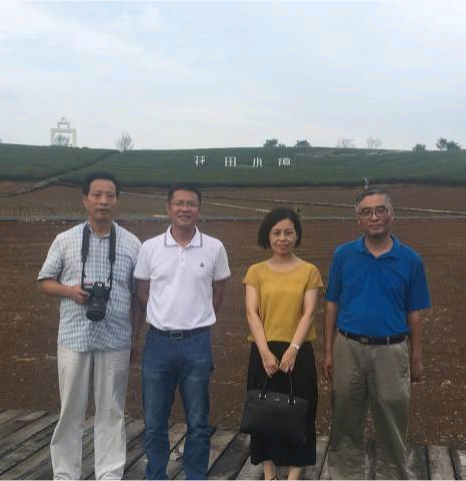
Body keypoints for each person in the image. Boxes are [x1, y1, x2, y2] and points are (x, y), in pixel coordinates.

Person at [38, 171, 142, 481]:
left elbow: (139, 296)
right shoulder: (65, 240)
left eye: (110, 195)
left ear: (117, 201)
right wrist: (70, 291)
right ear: (85, 200)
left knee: (112, 410)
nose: (103, 201)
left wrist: (136, 338)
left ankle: (109, 474)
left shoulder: (132, 243)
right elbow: (44, 282)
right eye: (97, 195)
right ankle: (65, 474)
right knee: (70, 409)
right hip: (74, 336)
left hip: (117, 337)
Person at [323, 187, 430, 481]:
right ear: (358, 219)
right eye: (366, 212)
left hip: (391, 352)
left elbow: (414, 315)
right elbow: (332, 305)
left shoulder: (410, 260)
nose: (374, 217)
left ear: (391, 214)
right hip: (348, 348)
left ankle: (391, 476)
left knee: (392, 423)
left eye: (380, 210)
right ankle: (345, 476)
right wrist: (329, 351)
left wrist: (416, 358)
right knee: (345, 421)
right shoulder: (343, 255)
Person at [134, 183, 230, 481]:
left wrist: (197, 318)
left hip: (196, 344)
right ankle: (156, 475)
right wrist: (164, 315)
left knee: (198, 421)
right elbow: (142, 291)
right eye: (179, 203)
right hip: (158, 343)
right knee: (154, 421)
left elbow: (218, 291)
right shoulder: (150, 247)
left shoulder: (214, 247)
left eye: (191, 203)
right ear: (168, 208)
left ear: (199, 208)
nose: (185, 209)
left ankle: (195, 476)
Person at [243, 207, 323, 481]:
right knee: (263, 413)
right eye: (276, 232)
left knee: (301, 413)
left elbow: (309, 313)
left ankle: (294, 475)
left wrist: (293, 350)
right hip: (263, 351)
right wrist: (265, 352)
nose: (282, 238)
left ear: (297, 235)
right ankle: (269, 474)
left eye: (288, 232)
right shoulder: (256, 271)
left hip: (298, 351)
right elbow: (251, 312)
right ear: (267, 235)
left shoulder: (309, 271)